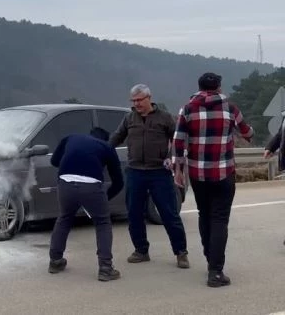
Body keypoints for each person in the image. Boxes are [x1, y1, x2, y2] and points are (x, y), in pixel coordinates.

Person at [173, 72, 253, 288]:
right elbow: (247, 132)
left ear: (199, 87)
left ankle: (210, 257)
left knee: (204, 214)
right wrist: (247, 132)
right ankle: (215, 271)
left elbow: (178, 140)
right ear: (219, 87)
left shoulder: (187, 108)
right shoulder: (230, 108)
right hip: (223, 173)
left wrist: (178, 169)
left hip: (198, 174)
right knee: (219, 219)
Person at [108, 84, 189, 268]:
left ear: (149, 98)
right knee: (134, 214)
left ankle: (181, 253)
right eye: (133, 101)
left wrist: (171, 159)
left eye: (139, 100)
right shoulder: (129, 118)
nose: (136, 104)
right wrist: (101, 150)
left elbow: (179, 141)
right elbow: (116, 137)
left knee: (169, 214)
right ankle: (141, 250)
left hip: (159, 173)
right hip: (135, 172)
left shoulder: (165, 118)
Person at [48, 127, 124, 282]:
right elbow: (119, 182)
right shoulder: (107, 147)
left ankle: (55, 261)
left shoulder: (71, 136)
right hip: (92, 187)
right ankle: (105, 268)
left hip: (65, 182)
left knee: (64, 218)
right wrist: (104, 198)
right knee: (102, 222)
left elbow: (54, 161)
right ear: (105, 139)